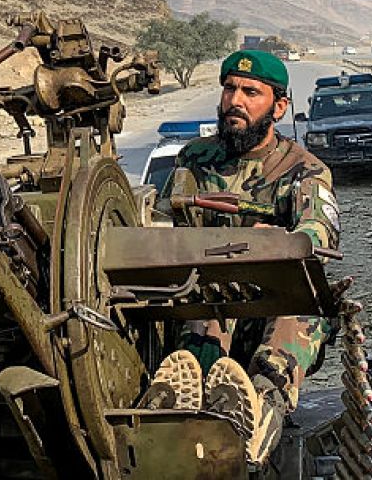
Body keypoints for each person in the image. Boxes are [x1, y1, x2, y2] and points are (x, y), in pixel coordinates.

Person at [146, 49, 341, 466]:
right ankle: (186, 402)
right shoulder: (193, 160)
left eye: (251, 92)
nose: (236, 101)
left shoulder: (304, 169)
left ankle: (262, 407)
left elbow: (318, 234)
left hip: (273, 308)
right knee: (204, 300)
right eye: (230, 88)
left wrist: (275, 243)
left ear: (279, 105)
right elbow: (161, 228)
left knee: (304, 309)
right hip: (209, 305)